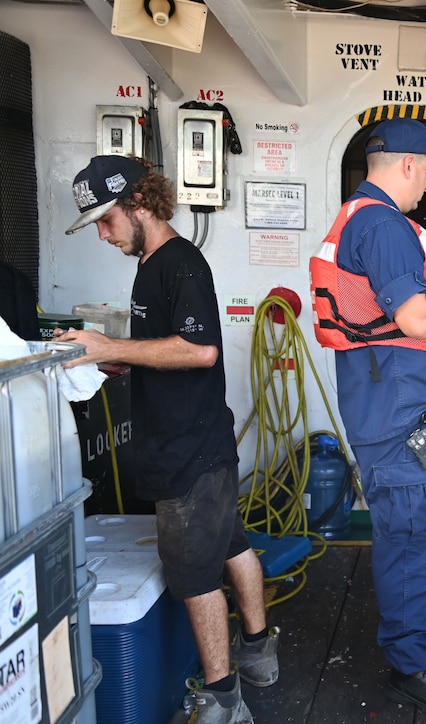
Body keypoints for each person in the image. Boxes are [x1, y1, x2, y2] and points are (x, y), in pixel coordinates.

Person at [58, 156, 278, 724]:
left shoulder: (180, 263)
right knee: (231, 544)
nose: (104, 235)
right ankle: (258, 652)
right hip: (202, 444)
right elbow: (169, 349)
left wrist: (107, 347)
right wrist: (124, 364)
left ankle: (224, 697)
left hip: (188, 453)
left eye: (106, 221)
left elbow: (201, 350)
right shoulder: (153, 263)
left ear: (138, 204)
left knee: (193, 576)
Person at [313, 118, 426, 718]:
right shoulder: (383, 226)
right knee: (409, 530)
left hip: (407, 406)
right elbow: (418, 319)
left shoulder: (365, 219)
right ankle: (409, 663)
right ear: (409, 165)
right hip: (395, 412)